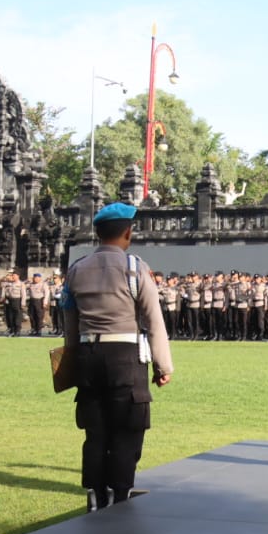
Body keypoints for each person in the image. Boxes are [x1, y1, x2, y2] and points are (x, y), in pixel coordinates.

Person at [61, 202, 174, 512]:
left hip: (87, 354)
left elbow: (70, 322)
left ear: (98, 234)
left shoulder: (77, 269)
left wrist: (72, 362)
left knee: (95, 431)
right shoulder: (135, 267)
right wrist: (163, 365)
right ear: (128, 233)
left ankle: (96, 494)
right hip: (125, 355)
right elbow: (154, 320)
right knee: (127, 429)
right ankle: (120, 494)